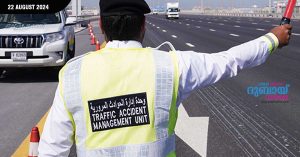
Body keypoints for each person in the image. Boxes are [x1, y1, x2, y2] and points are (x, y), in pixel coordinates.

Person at [38, 0, 292, 156]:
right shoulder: (171, 65)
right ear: (143, 26)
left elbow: (51, 150)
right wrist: (272, 39)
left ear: (102, 26)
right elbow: (229, 61)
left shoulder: (72, 75)